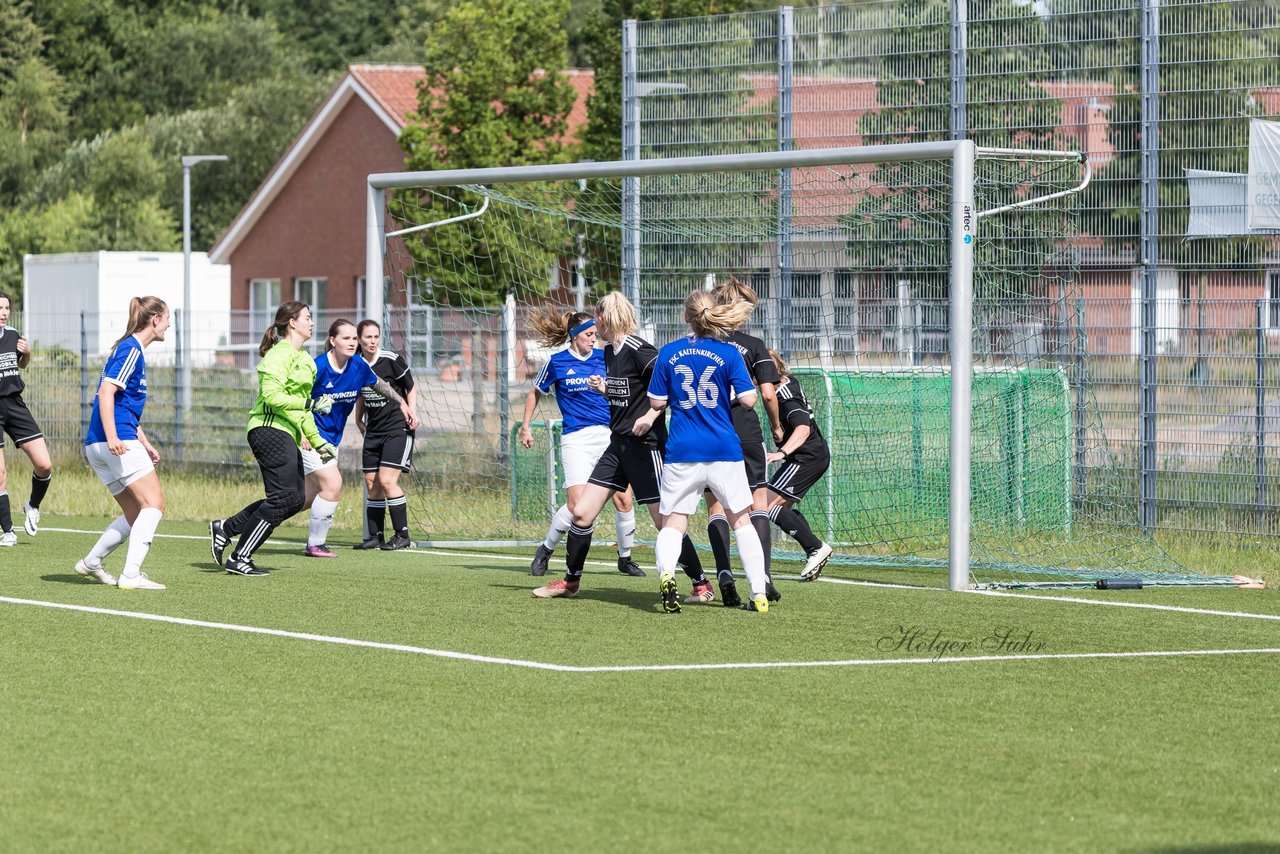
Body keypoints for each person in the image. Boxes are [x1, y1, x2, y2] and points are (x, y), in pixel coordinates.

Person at [532, 292, 708, 600]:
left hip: (646, 447)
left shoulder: (640, 350)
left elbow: (670, 387)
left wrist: (652, 414)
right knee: (582, 513)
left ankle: (701, 583)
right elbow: (626, 394)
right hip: (617, 446)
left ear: (602, 318)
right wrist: (605, 390)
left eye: (595, 319)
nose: (593, 325)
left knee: (663, 521)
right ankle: (571, 583)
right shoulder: (609, 353)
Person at [646, 290, 770, 613]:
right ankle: (758, 593)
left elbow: (656, 403)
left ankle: (668, 576)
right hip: (723, 448)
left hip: (683, 449)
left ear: (686, 317)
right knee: (741, 520)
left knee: (674, 522)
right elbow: (749, 399)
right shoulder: (728, 353)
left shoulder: (668, 353)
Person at [210, 301, 335, 576]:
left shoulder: (306, 362)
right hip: (267, 429)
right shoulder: (278, 356)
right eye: (308, 318)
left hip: (286, 432)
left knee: (294, 498)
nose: (312, 323)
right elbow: (272, 397)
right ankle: (240, 557)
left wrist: (318, 441)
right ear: (292, 322)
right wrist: (310, 405)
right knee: (283, 498)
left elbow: (302, 413)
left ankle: (227, 528)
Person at [519, 307, 643, 578]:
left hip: (609, 436)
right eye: (588, 334)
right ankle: (546, 549)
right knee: (576, 506)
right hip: (576, 439)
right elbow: (534, 393)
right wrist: (525, 427)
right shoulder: (557, 362)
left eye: (596, 334)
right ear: (574, 336)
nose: (593, 339)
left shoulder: (606, 357)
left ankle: (625, 558)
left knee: (624, 499)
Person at [696, 277, 782, 607]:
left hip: (711, 432)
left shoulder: (702, 345)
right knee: (756, 503)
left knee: (716, 506)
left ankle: (724, 574)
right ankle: (762, 578)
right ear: (744, 311)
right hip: (746, 433)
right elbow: (767, 393)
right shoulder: (753, 345)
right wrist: (776, 426)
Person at [300, 319, 417, 558]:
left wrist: (404, 404)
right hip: (312, 438)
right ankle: (315, 544)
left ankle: (249, 521)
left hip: (346, 438)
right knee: (334, 485)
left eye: (354, 338)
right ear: (332, 341)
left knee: (301, 499)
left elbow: (379, 385)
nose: (354, 342)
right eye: (349, 338)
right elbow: (299, 400)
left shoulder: (361, 366)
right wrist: (303, 432)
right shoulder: (318, 367)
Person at [75, 296, 170, 589]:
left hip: (100, 444)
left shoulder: (130, 349)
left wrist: (146, 443)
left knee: (134, 512)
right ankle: (131, 575)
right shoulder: (131, 349)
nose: (168, 325)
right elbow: (106, 394)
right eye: (167, 319)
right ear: (155, 320)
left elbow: (123, 406)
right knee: (154, 504)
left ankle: (91, 562)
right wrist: (115, 437)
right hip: (114, 441)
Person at [763, 348, 834, 580]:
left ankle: (815, 548)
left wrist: (782, 452)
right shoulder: (786, 383)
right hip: (809, 456)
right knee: (772, 505)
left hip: (806, 457)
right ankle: (813, 549)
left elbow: (803, 429)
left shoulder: (786, 398)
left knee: (764, 505)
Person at [352, 319, 418, 551]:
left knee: (388, 481)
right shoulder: (357, 364)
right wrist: (358, 419)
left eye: (376, 336)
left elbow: (410, 387)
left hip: (397, 428)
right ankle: (375, 536)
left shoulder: (391, 360)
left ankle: (402, 535)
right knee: (372, 483)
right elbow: (362, 393)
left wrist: (412, 411)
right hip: (374, 430)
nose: (372, 341)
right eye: (368, 337)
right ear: (359, 339)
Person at [0, 292, 53, 546]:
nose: (3, 312)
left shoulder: (12, 334)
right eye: (0, 308)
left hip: (15, 404)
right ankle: (8, 530)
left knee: (44, 465)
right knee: (0, 473)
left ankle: (32, 505)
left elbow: (21, 365)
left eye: (7, 307)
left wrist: (28, 353)